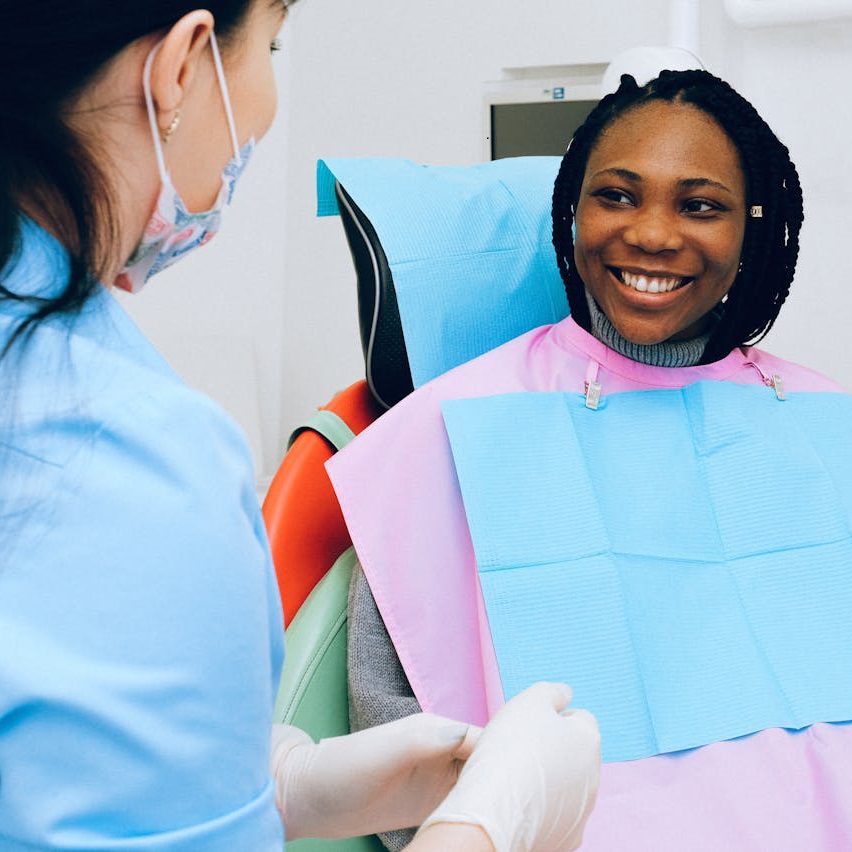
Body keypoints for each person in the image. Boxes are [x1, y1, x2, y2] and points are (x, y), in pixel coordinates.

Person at [0, 2, 601, 849]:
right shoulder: (131, 456)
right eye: (271, 43)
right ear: (181, 66)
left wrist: (274, 781)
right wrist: (484, 826)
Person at [334, 69, 852, 850]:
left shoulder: (827, 427)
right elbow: (394, 717)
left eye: (700, 205)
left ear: (752, 229)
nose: (651, 234)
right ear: (571, 214)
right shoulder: (448, 428)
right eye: (617, 195)